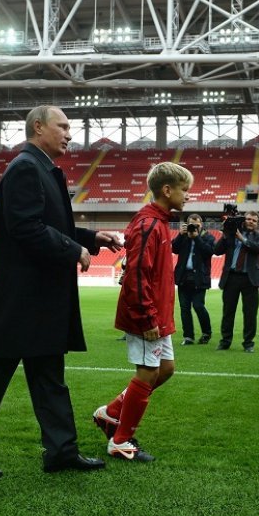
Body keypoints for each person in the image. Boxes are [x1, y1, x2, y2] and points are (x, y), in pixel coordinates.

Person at [0, 105, 122, 478]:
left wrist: (91, 238)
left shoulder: (38, 167)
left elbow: (49, 223)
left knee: (48, 376)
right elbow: (27, 227)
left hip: (36, 297)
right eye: (63, 126)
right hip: (24, 298)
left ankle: (61, 451)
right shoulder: (27, 167)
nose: (70, 134)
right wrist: (74, 250)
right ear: (38, 127)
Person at [93, 162, 193, 462]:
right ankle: (120, 440)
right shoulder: (149, 224)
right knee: (148, 372)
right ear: (167, 190)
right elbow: (137, 276)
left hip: (158, 314)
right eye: (184, 190)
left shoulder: (159, 222)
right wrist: (148, 318)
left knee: (165, 370)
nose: (187, 196)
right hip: (146, 315)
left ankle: (110, 413)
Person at [214, 210, 259, 353]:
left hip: (250, 280)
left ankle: (248, 343)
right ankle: (225, 342)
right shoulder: (231, 234)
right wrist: (225, 235)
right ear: (244, 219)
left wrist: (242, 238)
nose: (250, 222)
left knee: (250, 313)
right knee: (228, 312)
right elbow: (217, 251)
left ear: (257, 223)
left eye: (254, 220)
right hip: (231, 277)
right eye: (248, 219)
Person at [172, 213, 215, 345]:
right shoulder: (183, 236)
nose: (194, 227)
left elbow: (209, 251)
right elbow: (174, 249)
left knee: (198, 306)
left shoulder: (208, 237)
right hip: (183, 276)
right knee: (184, 308)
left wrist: (196, 238)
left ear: (201, 225)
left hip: (199, 277)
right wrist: (180, 234)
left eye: (196, 225)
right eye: (192, 224)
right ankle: (188, 337)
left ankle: (207, 332)